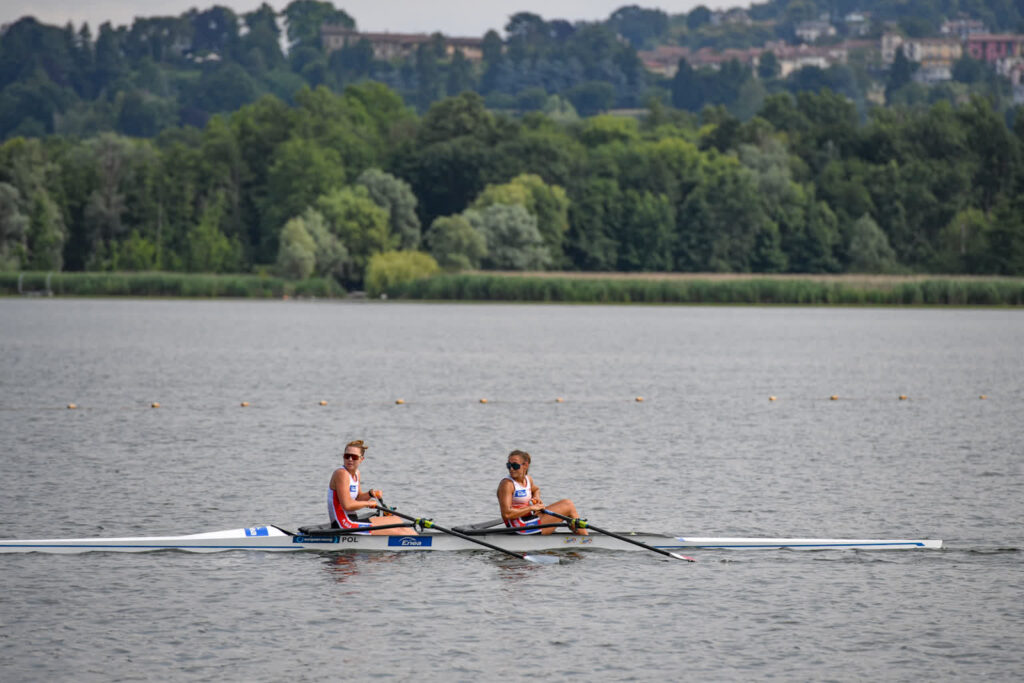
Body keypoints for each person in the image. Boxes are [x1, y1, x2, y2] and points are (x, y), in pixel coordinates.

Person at [328, 440, 415, 535]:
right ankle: (420, 545)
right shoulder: (341, 473)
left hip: (352, 519)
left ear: (361, 459)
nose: (350, 459)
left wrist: (370, 494)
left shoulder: (357, 473)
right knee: (400, 531)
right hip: (343, 524)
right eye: (346, 456)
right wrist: (368, 503)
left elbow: (357, 498)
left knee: (396, 520)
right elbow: (347, 505)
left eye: (354, 457)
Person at [497, 449, 588, 535]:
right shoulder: (507, 484)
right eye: (509, 465)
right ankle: (585, 539)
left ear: (525, 465)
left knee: (567, 504)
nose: (511, 469)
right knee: (568, 505)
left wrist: (536, 497)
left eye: (515, 466)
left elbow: (536, 489)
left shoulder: (528, 479)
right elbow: (506, 514)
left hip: (529, 519)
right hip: (519, 528)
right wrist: (531, 508)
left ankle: (578, 534)